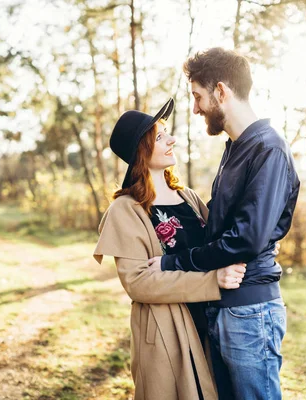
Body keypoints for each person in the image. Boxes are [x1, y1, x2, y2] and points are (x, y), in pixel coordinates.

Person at [148, 48, 300, 399]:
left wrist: (175, 263)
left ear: (220, 91)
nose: (196, 107)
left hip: (250, 309)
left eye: (198, 97)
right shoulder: (236, 148)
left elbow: (245, 239)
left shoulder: (269, 149)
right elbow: (215, 221)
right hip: (223, 306)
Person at [93, 98, 249, 400]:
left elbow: (217, 245)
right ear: (142, 150)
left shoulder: (188, 197)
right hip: (167, 331)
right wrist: (212, 281)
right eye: (160, 136)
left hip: (210, 323)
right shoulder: (126, 210)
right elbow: (139, 283)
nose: (172, 139)